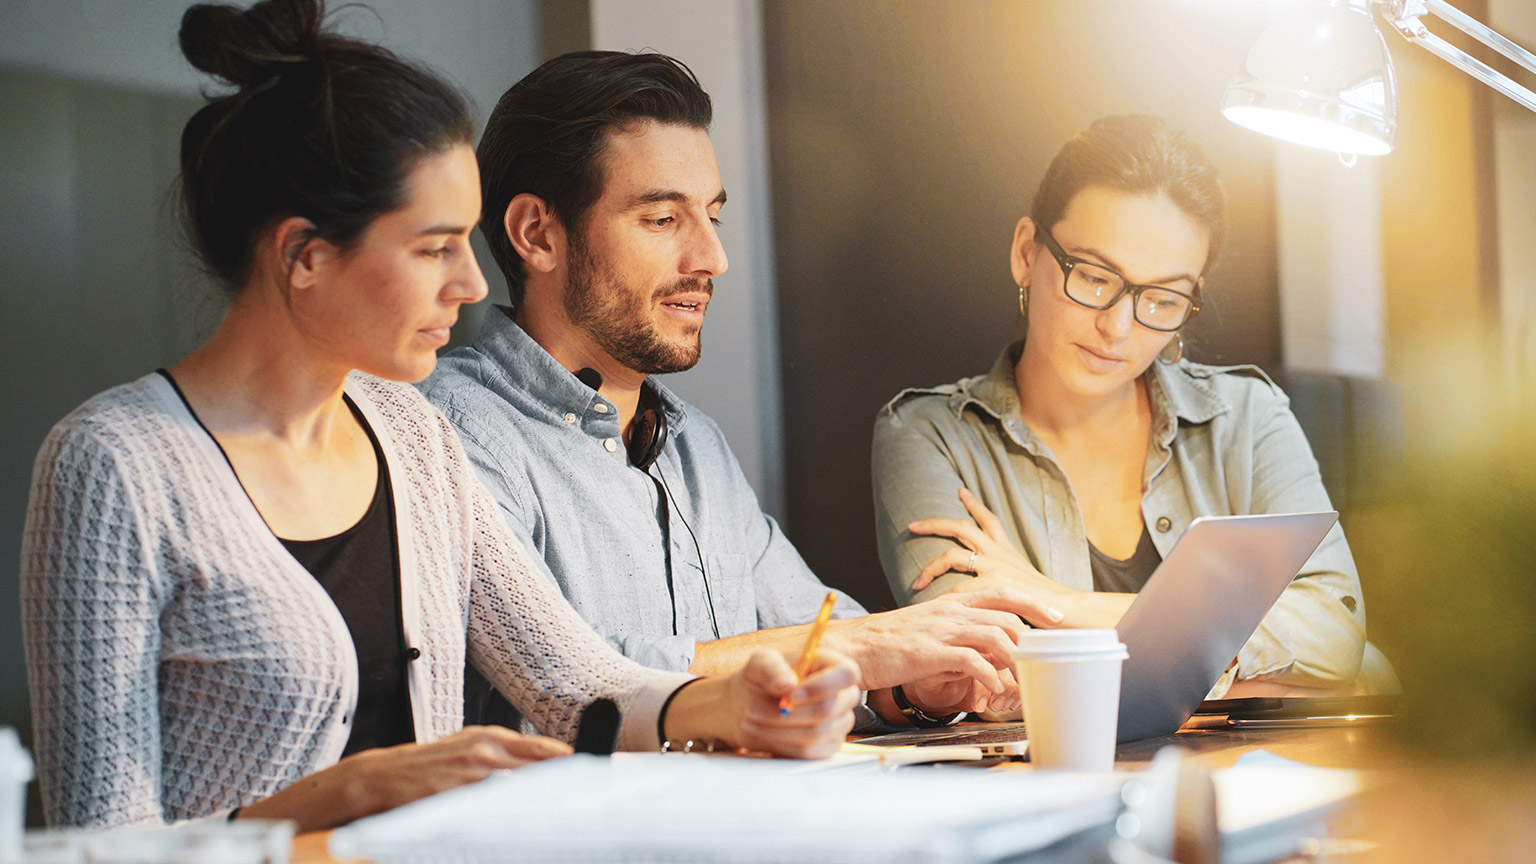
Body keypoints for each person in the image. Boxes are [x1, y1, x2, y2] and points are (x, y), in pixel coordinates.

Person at [20, 0, 859, 831]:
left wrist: (730, 702)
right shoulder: (114, 464)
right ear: (304, 255)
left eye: (466, 240)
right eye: (433, 248)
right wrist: (335, 797)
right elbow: (97, 842)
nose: (470, 284)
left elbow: (573, 682)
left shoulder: (409, 434)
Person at [419, 50, 1066, 730]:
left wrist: (914, 684)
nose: (712, 259)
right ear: (536, 234)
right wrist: (859, 648)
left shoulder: (696, 446)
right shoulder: (448, 438)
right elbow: (562, 686)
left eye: (712, 217)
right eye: (663, 219)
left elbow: (819, 642)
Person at [872, 114, 1395, 697]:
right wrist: (1240, 655)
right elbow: (978, 672)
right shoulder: (928, 435)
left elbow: (1334, 631)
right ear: (1026, 252)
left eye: (1163, 298)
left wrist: (1058, 604)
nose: (1118, 326)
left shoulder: (1247, 416)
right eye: (1095, 277)